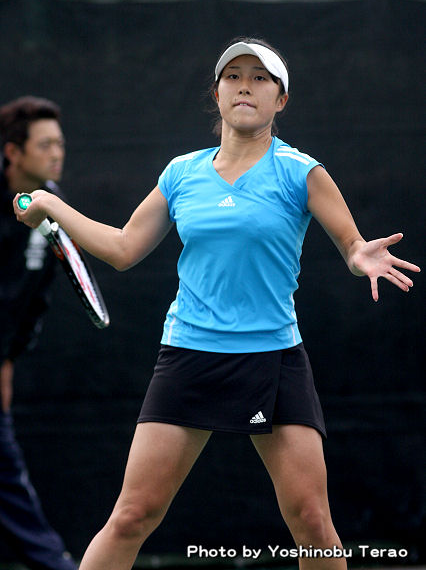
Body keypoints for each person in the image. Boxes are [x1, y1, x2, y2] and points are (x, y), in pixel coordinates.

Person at [13, 38, 420, 570]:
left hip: (273, 358)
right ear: (217, 93)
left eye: (260, 78)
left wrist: (360, 255)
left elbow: (351, 245)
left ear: (281, 99)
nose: (245, 86)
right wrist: (50, 203)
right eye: (234, 77)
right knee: (132, 516)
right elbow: (123, 248)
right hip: (189, 355)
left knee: (312, 520)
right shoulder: (182, 173)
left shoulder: (302, 172)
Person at [0, 96, 77, 570]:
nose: (56, 154)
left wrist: (8, 359)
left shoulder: (51, 206)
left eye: (60, 144)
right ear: (13, 152)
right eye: (45, 145)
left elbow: (35, 300)